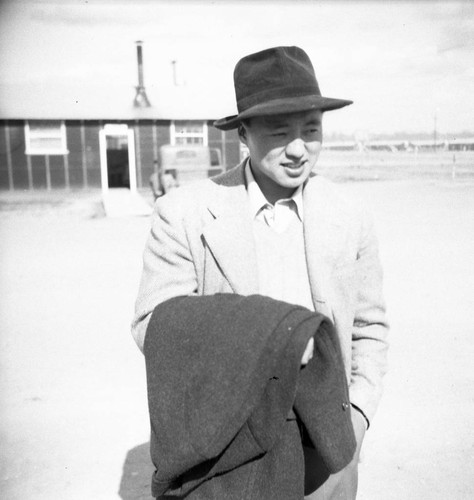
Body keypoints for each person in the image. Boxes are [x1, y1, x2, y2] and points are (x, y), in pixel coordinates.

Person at [132, 46, 389, 499]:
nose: (298, 149)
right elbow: (153, 324)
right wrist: (276, 337)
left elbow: (371, 330)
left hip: (327, 449)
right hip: (228, 451)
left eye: (312, 130)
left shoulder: (351, 215)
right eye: (278, 131)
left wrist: (355, 422)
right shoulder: (184, 214)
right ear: (243, 134)